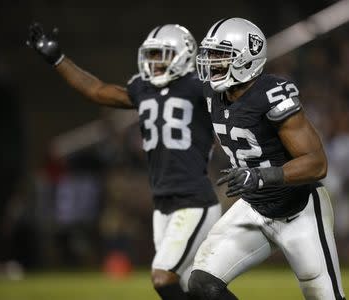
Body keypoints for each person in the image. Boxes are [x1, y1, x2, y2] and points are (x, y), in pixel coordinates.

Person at [27, 22, 221, 300]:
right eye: (151, 55)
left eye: (161, 54)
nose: (154, 62)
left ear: (184, 54)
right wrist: (59, 60)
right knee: (194, 288)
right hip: (163, 204)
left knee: (163, 278)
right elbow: (97, 90)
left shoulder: (198, 87)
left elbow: (235, 99)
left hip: (194, 201)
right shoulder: (143, 88)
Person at [188, 18, 346, 300]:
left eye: (220, 56)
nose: (211, 63)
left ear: (247, 58)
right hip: (254, 207)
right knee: (202, 284)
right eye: (210, 55)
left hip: (299, 209)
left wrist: (261, 175)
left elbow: (317, 163)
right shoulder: (211, 91)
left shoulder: (272, 94)